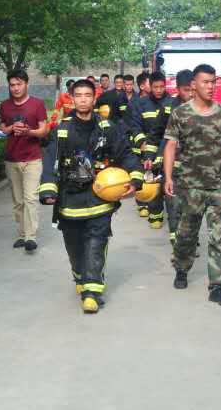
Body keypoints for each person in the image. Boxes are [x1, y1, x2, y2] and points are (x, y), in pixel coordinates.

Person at [37, 79, 143, 313]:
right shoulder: (62, 130)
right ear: (72, 99)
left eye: (88, 95)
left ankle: (92, 291)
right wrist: (48, 188)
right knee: (74, 245)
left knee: (97, 241)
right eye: (79, 95)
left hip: (100, 198)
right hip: (70, 199)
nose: (83, 99)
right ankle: (80, 275)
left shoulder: (107, 127)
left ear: (94, 98)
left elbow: (125, 153)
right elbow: (50, 160)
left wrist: (136, 178)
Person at [163, 64, 221, 306]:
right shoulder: (180, 114)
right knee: (187, 233)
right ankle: (181, 268)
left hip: (217, 186)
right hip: (190, 186)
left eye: (213, 82)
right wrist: (169, 177)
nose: (210, 86)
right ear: (193, 85)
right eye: (205, 82)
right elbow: (170, 145)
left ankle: (218, 286)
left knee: (218, 236)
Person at [0, 69, 50, 253]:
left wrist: (29, 132)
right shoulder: (4, 106)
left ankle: (30, 237)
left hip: (32, 159)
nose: (15, 88)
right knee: (18, 201)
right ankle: (21, 234)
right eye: (12, 85)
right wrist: (12, 128)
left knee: (30, 198)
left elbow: (44, 130)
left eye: (19, 84)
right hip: (12, 159)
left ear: (26, 84)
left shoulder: (37, 104)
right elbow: (2, 129)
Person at [126, 71, 173, 228]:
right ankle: (154, 214)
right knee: (150, 181)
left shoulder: (172, 103)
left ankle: (170, 215)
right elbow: (134, 125)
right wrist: (142, 142)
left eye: (162, 87)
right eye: (155, 87)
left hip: (168, 147)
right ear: (149, 87)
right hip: (147, 147)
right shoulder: (140, 103)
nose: (159, 90)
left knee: (167, 181)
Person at [165, 69, 195, 246]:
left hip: (196, 168)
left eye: (192, 89)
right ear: (178, 89)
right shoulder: (169, 108)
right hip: (174, 165)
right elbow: (161, 136)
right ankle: (177, 240)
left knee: (192, 207)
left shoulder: (201, 108)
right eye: (186, 90)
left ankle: (189, 239)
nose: (190, 94)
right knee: (174, 205)